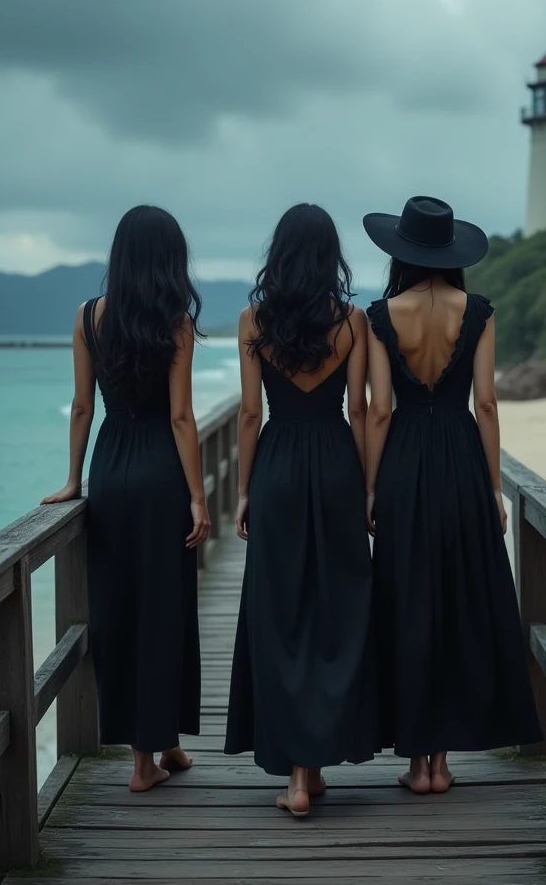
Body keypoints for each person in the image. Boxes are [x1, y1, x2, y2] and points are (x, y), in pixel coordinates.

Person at [363, 196, 542, 794]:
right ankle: (445, 764)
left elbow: (379, 409)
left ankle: (418, 766)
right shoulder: (480, 311)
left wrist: (369, 486)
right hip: (462, 463)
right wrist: (493, 487)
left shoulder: (382, 315)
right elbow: (486, 403)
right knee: (457, 604)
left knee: (409, 606)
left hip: (404, 464)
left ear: (401, 253)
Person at [42, 205, 209, 792]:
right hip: (163, 471)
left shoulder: (89, 317)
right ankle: (156, 750)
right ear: (169, 260)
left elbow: (83, 405)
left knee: (118, 607)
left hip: (111, 468)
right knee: (163, 609)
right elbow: (183, 417)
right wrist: (197, 496)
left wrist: (73, 480)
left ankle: (155, 753)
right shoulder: (176, 324)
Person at [225, 202, 376, 818]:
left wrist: (242, 490)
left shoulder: (253, 321)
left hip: (279, 467)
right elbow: (362, 411)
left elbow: (249, 414)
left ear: (279, 255)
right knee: (334, 613)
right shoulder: (354, 321)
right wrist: (369, 488)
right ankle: (311, 772)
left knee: (280, 614)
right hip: (338, 463)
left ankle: (293, 778)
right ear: (330, 256)